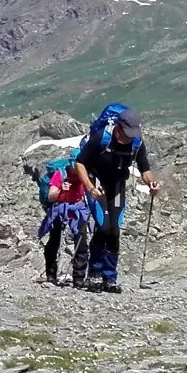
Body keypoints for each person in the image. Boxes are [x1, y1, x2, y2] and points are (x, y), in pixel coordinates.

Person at [70, 109, 159, 293]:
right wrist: (89, 187)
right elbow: (80, 162)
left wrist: (152, 182)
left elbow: (145, 170)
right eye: (126, 134)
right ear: (118, 128)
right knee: (103, 227)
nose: (128, 138)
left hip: (117, 186)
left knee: (114, 230)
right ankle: (94, 274)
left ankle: (109, 277)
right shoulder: (101, 137)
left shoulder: (136, 143)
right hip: (97, 184)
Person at [35, 158, 95, 286]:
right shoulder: (60, 174)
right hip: (59, 208)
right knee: (54, 240)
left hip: (77, 208)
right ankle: (51, 275)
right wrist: (61, 189)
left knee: (81, 241)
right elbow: (51, 197)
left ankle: (78, 278)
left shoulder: (83, 173)